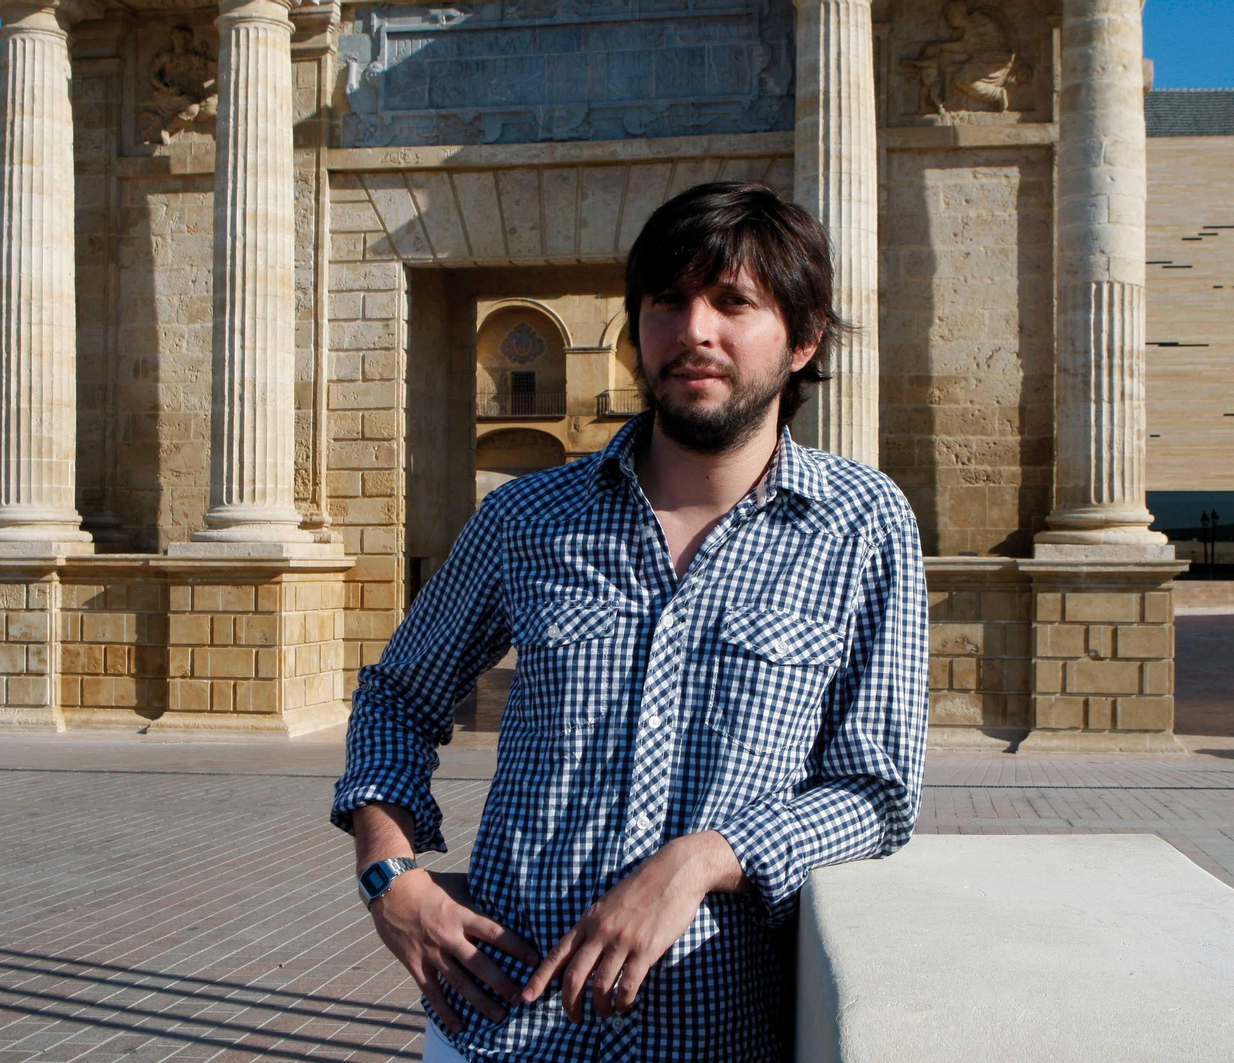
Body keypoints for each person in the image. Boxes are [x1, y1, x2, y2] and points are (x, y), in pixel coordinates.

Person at [330, 181, 929, 1063]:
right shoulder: (527, 519)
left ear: (802, 340)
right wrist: (390, 875)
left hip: (718, 1033)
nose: (694, 329)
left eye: (733, 302)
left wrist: (704, 857)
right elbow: (396, 697)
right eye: (667, 302)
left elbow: (877, 789)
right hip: (506, 1027)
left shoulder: (863, 527)